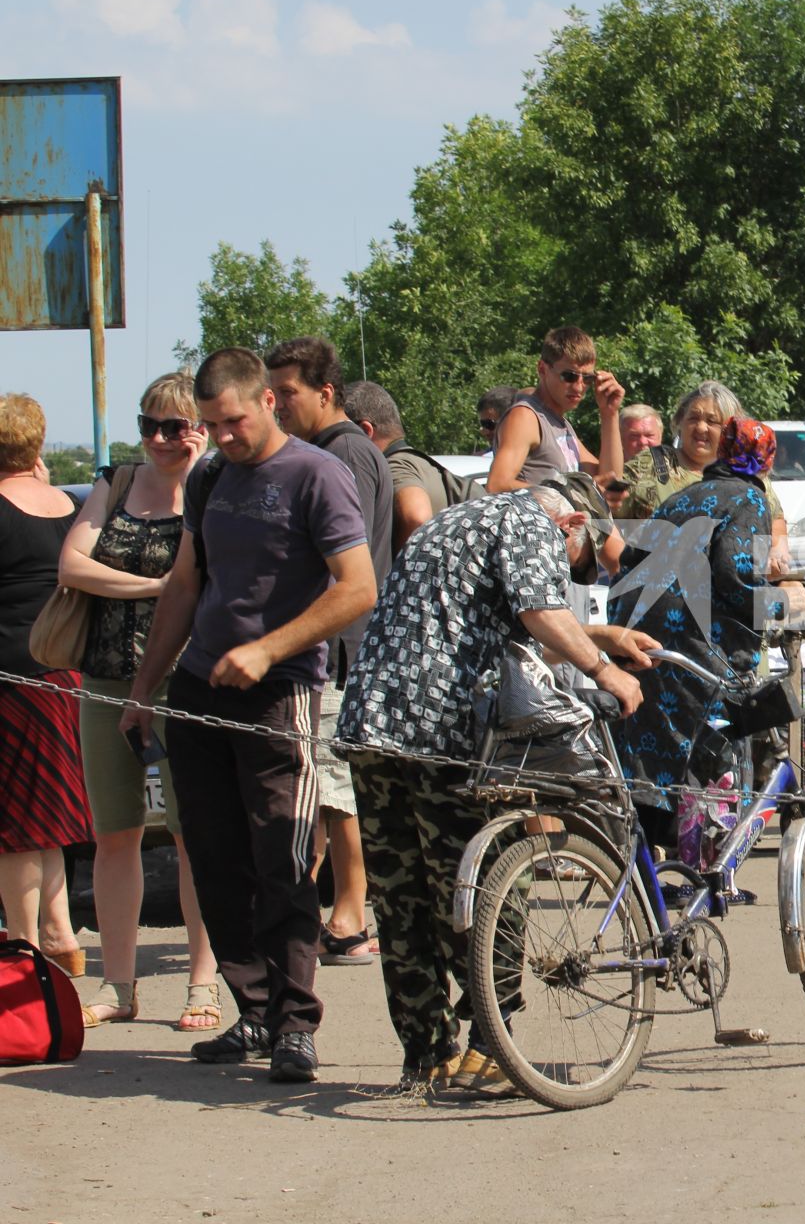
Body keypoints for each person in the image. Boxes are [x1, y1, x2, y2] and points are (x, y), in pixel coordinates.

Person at [335, 482, 648, 1092]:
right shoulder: (532, 522)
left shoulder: (460, 522)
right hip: (443, 729)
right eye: (576, 562)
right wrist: (607, 672)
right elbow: (539, 612)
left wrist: (604, 637)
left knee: (402, 899)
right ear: (572, 524)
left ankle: (426, 1056)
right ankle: (491, 1040)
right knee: (481, 883)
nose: (570, 574)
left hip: (374, 722)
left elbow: (489, 619)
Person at [122, 348, 377, 1085]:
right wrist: (146, 688)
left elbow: (356, 588)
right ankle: (255, 1008)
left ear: (267, 401)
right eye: (211, 425)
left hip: (281, 691)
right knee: (213, 856)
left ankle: (297, 1024)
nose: (222, 437)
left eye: (232, 422)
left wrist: (269, 650)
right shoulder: (209, 478)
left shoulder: (315, 474)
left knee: (284, 856)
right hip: (199, 688)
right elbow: (184, 584)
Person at [57, 372, 221, 1031]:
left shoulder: (213, 485)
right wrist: (158, 589)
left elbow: (213, 576)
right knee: (114, 834)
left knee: (192, 837)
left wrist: (157, 589)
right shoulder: (115, 481)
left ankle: (203, 984)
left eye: (173, 427)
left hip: (187, 683)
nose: (158, 439)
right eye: (148, 424)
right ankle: (118, 985)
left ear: (200, 429)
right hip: (105, 680)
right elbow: (72, 565)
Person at [266, 337, 392, 967]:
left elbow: (350, 562)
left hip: (338, 647)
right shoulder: (330, 451)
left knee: (336, 786)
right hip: (331, 644)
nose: (277, 404)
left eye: (286, 392)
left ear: (325, 392)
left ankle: (350, 915)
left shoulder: (345, 453)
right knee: (321, 782)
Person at [611, 417, 792, 852]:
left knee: (655, 752)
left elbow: (632, 555)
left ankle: (651, 871)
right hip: (693, 638)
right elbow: (735, 574)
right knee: (709, 747)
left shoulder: (683, 495)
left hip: (636, 633)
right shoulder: (750, 497)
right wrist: (779, 604)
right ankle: (702, 870)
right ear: (765, 464)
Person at [0, 394, 90, 980]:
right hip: (67, 676)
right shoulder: (67, 506)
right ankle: (60, 937)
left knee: (13, 827)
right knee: (48, 818)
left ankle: (25, 947)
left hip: (9, 678)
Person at [615, 381, 792, 574]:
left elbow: (776, 524)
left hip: (729, 592)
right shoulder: (651, 464)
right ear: (680, 422)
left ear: (732, 430)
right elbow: (608, 509)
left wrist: (776, 554)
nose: (700, 427)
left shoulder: (748, 475)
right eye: (693, 418)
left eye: (712, 421)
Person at [484, 327, 624, 494]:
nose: (579, 386)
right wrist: (571, 494)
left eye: (587, 378)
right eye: (569, 376)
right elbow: (497, 484)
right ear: (543, 369)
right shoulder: (525, 417)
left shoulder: (559, 423)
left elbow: (610, 478)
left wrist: (609, 414)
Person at [343, 381, 455, 549]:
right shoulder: (421, 464)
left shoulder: (395, 467)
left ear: (366, 431)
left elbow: (416, 519)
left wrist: (401, 571)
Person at [475, 385, 516, 456]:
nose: (484, 432)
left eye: (489, 424)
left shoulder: (535, 462)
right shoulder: (479, 460)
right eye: (483, 424)